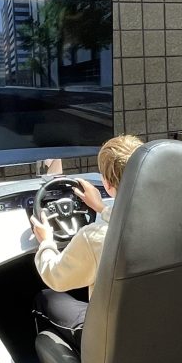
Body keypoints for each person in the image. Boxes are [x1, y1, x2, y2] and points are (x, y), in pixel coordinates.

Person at [30, 134, 143, 350]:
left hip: (111, 344)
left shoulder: (95, 237)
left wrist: (46, 242)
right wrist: (101, 208)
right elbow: (130, 217)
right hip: (159, 329)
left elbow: (55, 277)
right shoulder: (172, 222)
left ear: (107, 184)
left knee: (45, 298)